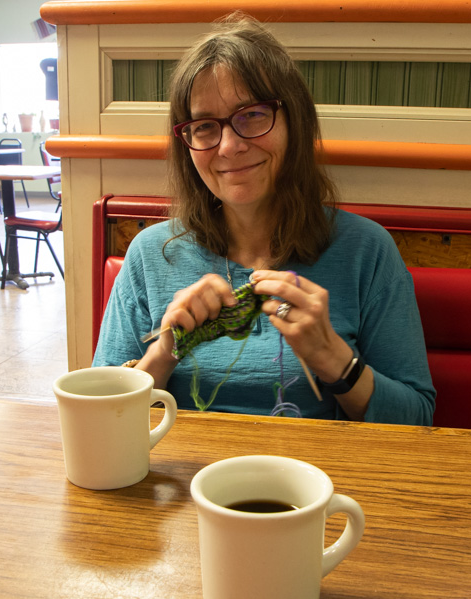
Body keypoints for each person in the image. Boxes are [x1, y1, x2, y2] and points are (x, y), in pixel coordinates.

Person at [93, 13, 435, 425]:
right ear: (186, 143)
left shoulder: (367, 251)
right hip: (187, 481)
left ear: (295, 120)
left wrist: (335, 360)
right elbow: (100, 414)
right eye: (204, 127)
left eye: (252, 114)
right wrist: (164, 351)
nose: (230, 146)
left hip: (312, 482)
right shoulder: (151, 254)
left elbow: (418, 420)